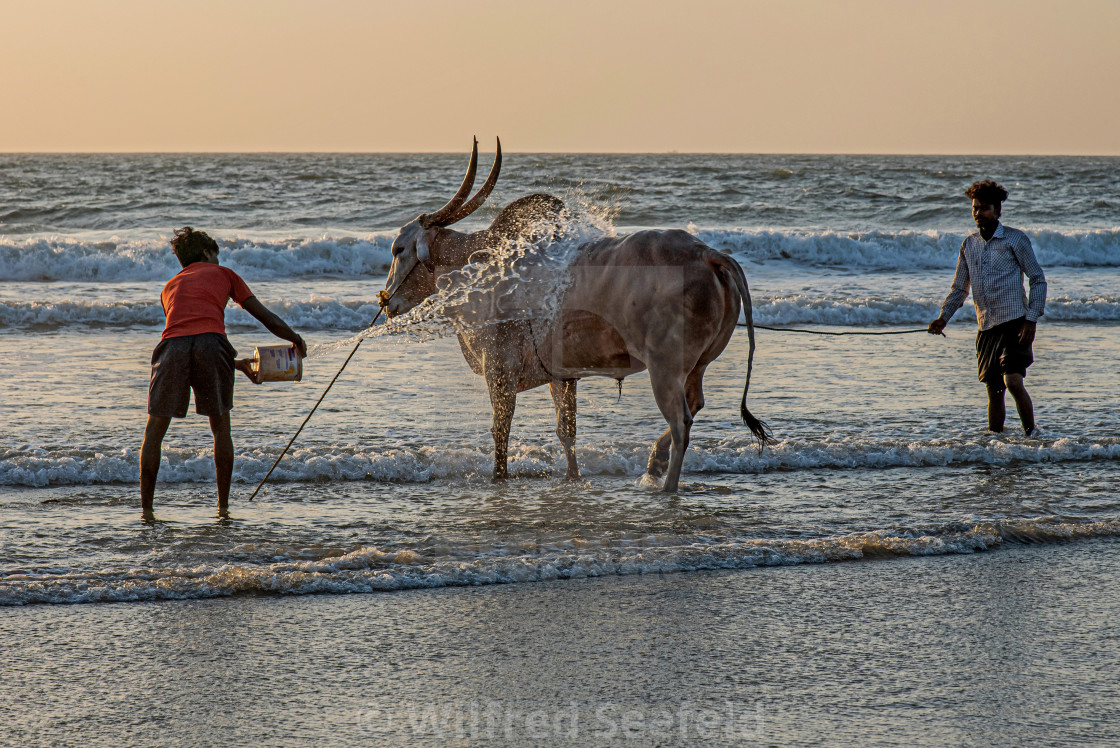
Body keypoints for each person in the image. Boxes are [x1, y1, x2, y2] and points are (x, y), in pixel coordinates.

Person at [140, 227, 307, 520]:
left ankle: (147, 510)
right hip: (211, 344)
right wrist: (294, 338)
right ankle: (222, 507)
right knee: (220, 430)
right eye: (215, 254)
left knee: (154, 432)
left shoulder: (168, 287)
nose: (217, 260)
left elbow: (186, 337)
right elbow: (262, 315)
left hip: (169, 348)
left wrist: (237, 363)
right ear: (207, 253)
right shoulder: (225, 274)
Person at [928, 180, 1046, 435]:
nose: (978, 213)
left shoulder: (1015, 239)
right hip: (986, 328)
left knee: (1012, 381)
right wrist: (943, 318)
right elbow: (960, 289)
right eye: (975, 208)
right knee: (994, 391)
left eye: (984, 208)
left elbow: (1037, 278)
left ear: (997, 209)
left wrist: (1032, 319)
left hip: (1015, 322)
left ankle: (1032, 436)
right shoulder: (968, 245)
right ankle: (995, 441)